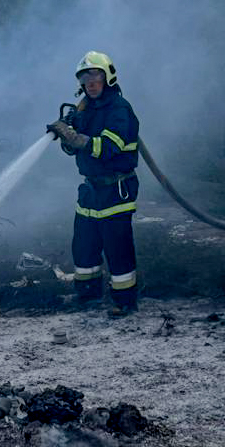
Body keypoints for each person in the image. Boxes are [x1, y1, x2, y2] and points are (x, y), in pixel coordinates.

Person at [47, 51, 140, 316]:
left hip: (116, 188)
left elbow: (109, 147)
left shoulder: (119, 110)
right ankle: (88, 297)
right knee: (84, 244)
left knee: (117, 246)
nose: (91, 82)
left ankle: (124, 302)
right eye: (85, 76)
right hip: (90, 188)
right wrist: (66, 136)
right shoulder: (84, 108)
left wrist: (76, 139)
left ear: (108, 76)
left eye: (96, 75)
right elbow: (75, 148)